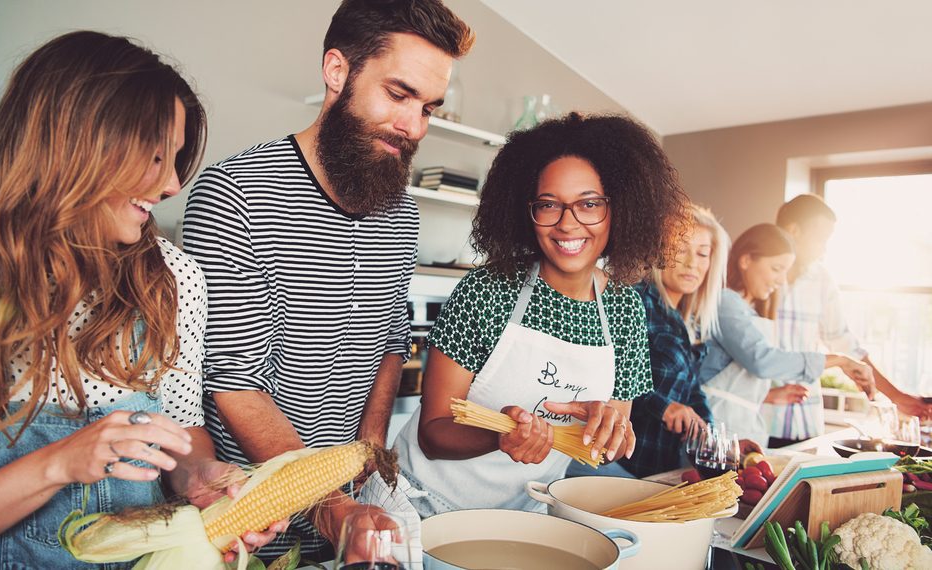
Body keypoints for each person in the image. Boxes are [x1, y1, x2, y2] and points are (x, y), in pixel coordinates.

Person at [0, 31, 285, 569]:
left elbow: (185, 432)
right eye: (155, 155)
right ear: (77, 143)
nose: (171, 183)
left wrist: (202, 479)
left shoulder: (174, 280)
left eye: (176, 158)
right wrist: (56, 465)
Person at [181, 0, 474, 559]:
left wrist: (366, 464)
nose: (414, 126)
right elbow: (235, 384)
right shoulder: (234, 194)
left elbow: (390, 343)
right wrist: (332, 506)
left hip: (351, 514)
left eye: (429, 108)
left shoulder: (401, 213)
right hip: (252, 528)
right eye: (398, 94)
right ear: (337, 70)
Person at [393, 113, 688, 516]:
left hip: (519, 516)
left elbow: (608, 446)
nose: (568, 224)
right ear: (526, 211)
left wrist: (607, 432)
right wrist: (501, 435)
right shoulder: (486, 291)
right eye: (549, 205)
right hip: (420, 505)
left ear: (620, 209)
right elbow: (433, 433)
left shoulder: (624, 309)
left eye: (589, 204)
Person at [570, 205, 729, 479]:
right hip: (612, 463)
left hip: (656, 469)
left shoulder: (689, 322)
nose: (692, 262)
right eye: (680, 249)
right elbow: (607, 379)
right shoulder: (634, 302)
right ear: (657, 253)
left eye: (702, 253)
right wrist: (664, 406)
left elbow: (692, 393)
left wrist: (715, 443)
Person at [765, 194, 932, 446]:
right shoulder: (753, 278)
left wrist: (896, 396)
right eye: (821, 238)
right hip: (758, 420)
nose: (824, 248)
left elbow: (846, 345)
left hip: (805, 422)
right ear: (794, 230)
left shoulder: (822, 279)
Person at [699, 224, 874, 448]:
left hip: (742, 431)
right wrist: (839, 360)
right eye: (776, 268)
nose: (782, 280)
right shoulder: (725, 302)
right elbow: (762, 360)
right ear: (745, 261)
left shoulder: (749, 311)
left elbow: (730, 379)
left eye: (785, 272)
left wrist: (767, 395)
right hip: (717, 428)